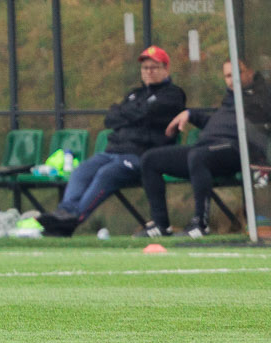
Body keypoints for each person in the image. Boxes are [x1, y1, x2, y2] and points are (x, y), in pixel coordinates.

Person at [39, 47, 185, 238]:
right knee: (82, 170)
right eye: (145, 68)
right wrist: (137, 113)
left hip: (143, 156)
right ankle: (64, 213)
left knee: (107, 173)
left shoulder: (173, 94)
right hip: (114, 151)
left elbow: (147, 114)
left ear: (166, 69)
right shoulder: (135, 94)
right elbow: (111, 118)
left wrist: (131, 113)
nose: (148, 72)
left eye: (154, 67)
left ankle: (73, 219)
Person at [137, 59, 268, 238]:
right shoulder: (230, 98)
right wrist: (190, 114)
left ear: (250, 72)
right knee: (150, 159)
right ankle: (161, 225)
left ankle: (200, 224)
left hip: (236, 150)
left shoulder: (262, 95)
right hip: (208, 148)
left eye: (237, 73)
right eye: (228, 76)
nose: (232, 80)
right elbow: (216, 125)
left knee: (199, 156)